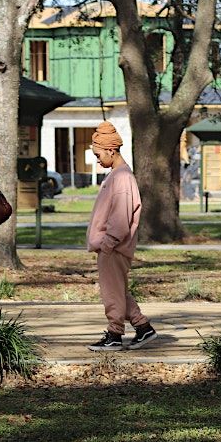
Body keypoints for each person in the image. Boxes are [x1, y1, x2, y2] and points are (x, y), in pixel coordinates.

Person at [86, 121, 155, 351]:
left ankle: (115, 334)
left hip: (113, 247)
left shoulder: (122, 178)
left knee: (112, 292)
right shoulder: (118, 175)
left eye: (98, 154)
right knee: (118, 290)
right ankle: (143, 327)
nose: (97, 159)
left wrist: (108, 242)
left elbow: (120, 216)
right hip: (112, 246)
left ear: (110, 150)